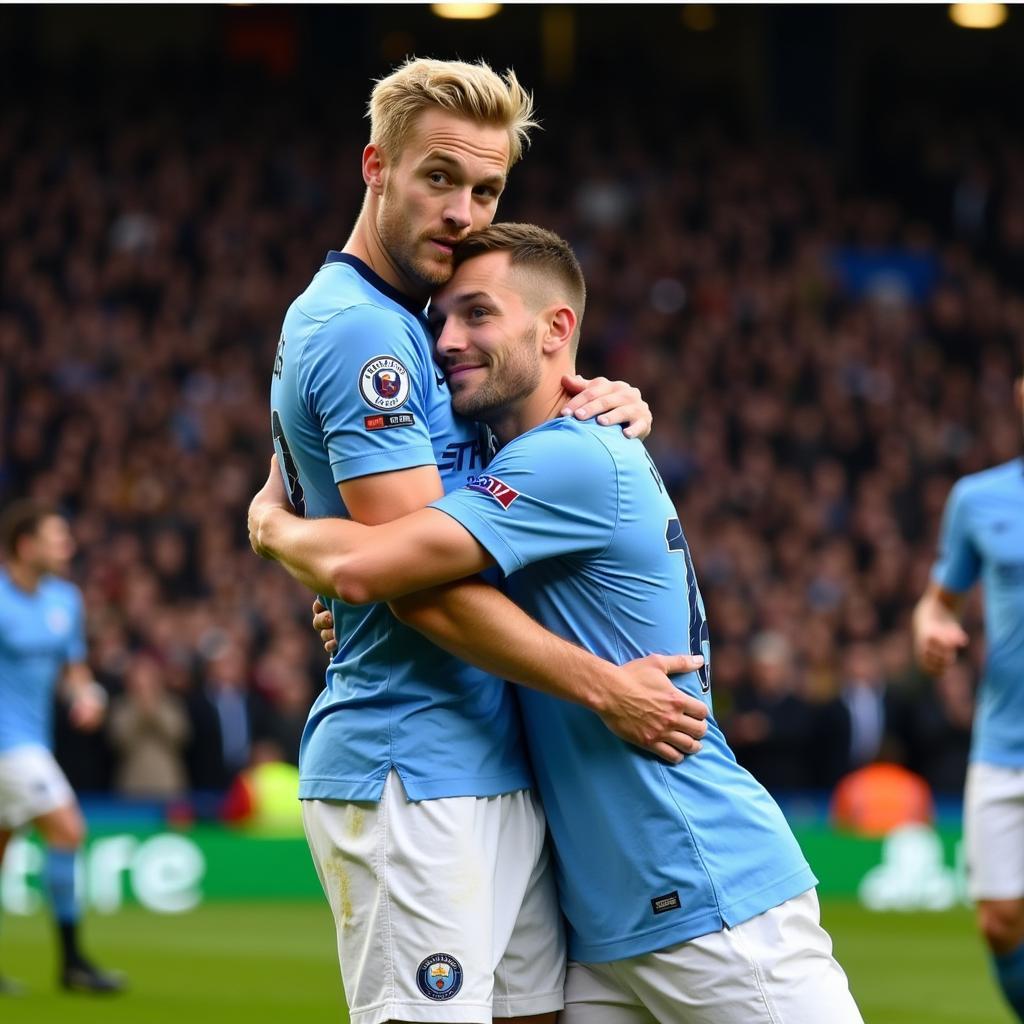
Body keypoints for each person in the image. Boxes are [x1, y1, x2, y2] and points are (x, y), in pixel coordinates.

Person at [251, 223, 864, 1023]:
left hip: (706, 887)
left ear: (556, 330)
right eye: (439, 320)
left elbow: (378, 570)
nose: (445, 342)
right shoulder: (537, 451)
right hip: (604, 929)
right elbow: (424, 592)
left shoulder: (571, 459)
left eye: (477, 316)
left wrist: (271, 524)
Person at [266, 59, 708, 1024]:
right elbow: (412, 579)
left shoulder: (427, 327)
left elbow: (468, 501)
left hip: (496, 759)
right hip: (412, 763)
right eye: (439, 178)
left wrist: (594, 392)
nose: (464, 209)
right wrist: (602, 685)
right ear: (375, 166)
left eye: (488, 189)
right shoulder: (360, 335)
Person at [912, 345, 1024, 1022]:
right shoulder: (979, 498)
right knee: (1000, 923)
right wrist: (930, 629)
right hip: (1004, 742)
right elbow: (939, 600)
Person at [0, 500, 123, 994]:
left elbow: (74, 671)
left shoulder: (65, 601)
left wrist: (87, 696)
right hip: (10, 745)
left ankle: (71, 962)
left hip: (33, 739)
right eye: (56, 538)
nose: (66, 547)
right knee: (68, 829)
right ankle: (72, 962)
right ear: (26, 545)